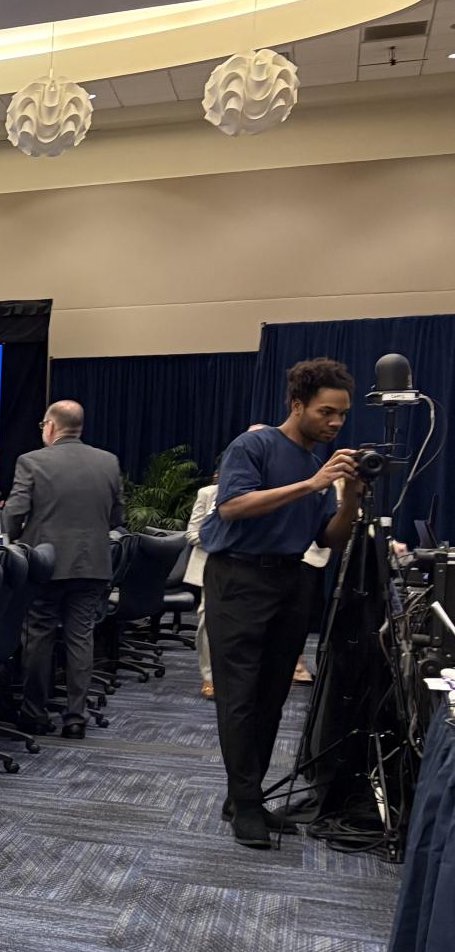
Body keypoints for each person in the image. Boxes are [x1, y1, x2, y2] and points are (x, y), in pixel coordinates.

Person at [200, 358, 363, 848]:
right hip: (239, 577)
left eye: (342, 415)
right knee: (240, 696)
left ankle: (245, 797)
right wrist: (313, 486)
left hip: (292, 580)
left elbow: (330, 538)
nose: (335, 423)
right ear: (297, 405)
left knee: (272, 696)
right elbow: (232, 506)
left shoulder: (318, 464)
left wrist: (349, 495)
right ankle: (245, 803)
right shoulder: (254, 445)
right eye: (326, 412)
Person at [4, 399, 124, 741]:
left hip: (46, 564)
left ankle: (34, 714)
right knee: (80, 638)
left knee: (39, 637)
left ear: (51, 426)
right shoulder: (108, 461)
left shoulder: (31, 462)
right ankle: (75, 718)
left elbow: (14, 512)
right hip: (94, 564)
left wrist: (15, 542)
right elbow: (117, 517)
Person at [185, 462, 221, 701]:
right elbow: (191, 533)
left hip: (247, 566)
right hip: (211, 563)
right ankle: (209, 677)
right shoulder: (207, 494)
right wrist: (218, 539)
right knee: (207, 619)